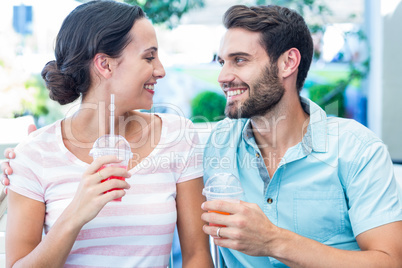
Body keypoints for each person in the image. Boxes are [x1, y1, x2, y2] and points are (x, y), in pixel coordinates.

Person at [1, 1, 213, 267]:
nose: (160, 70)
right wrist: (75, 214)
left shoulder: (178, 136)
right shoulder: (33, 154)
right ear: (105, 64)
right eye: (149, 57)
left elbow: (197, 256)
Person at [199, 4, 402, 268]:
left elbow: (389, 261)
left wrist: (273, 241)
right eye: (222, 62)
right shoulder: (216, 145)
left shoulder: (357, 149)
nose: (223, 76)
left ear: (288, 63)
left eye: (239, 60)